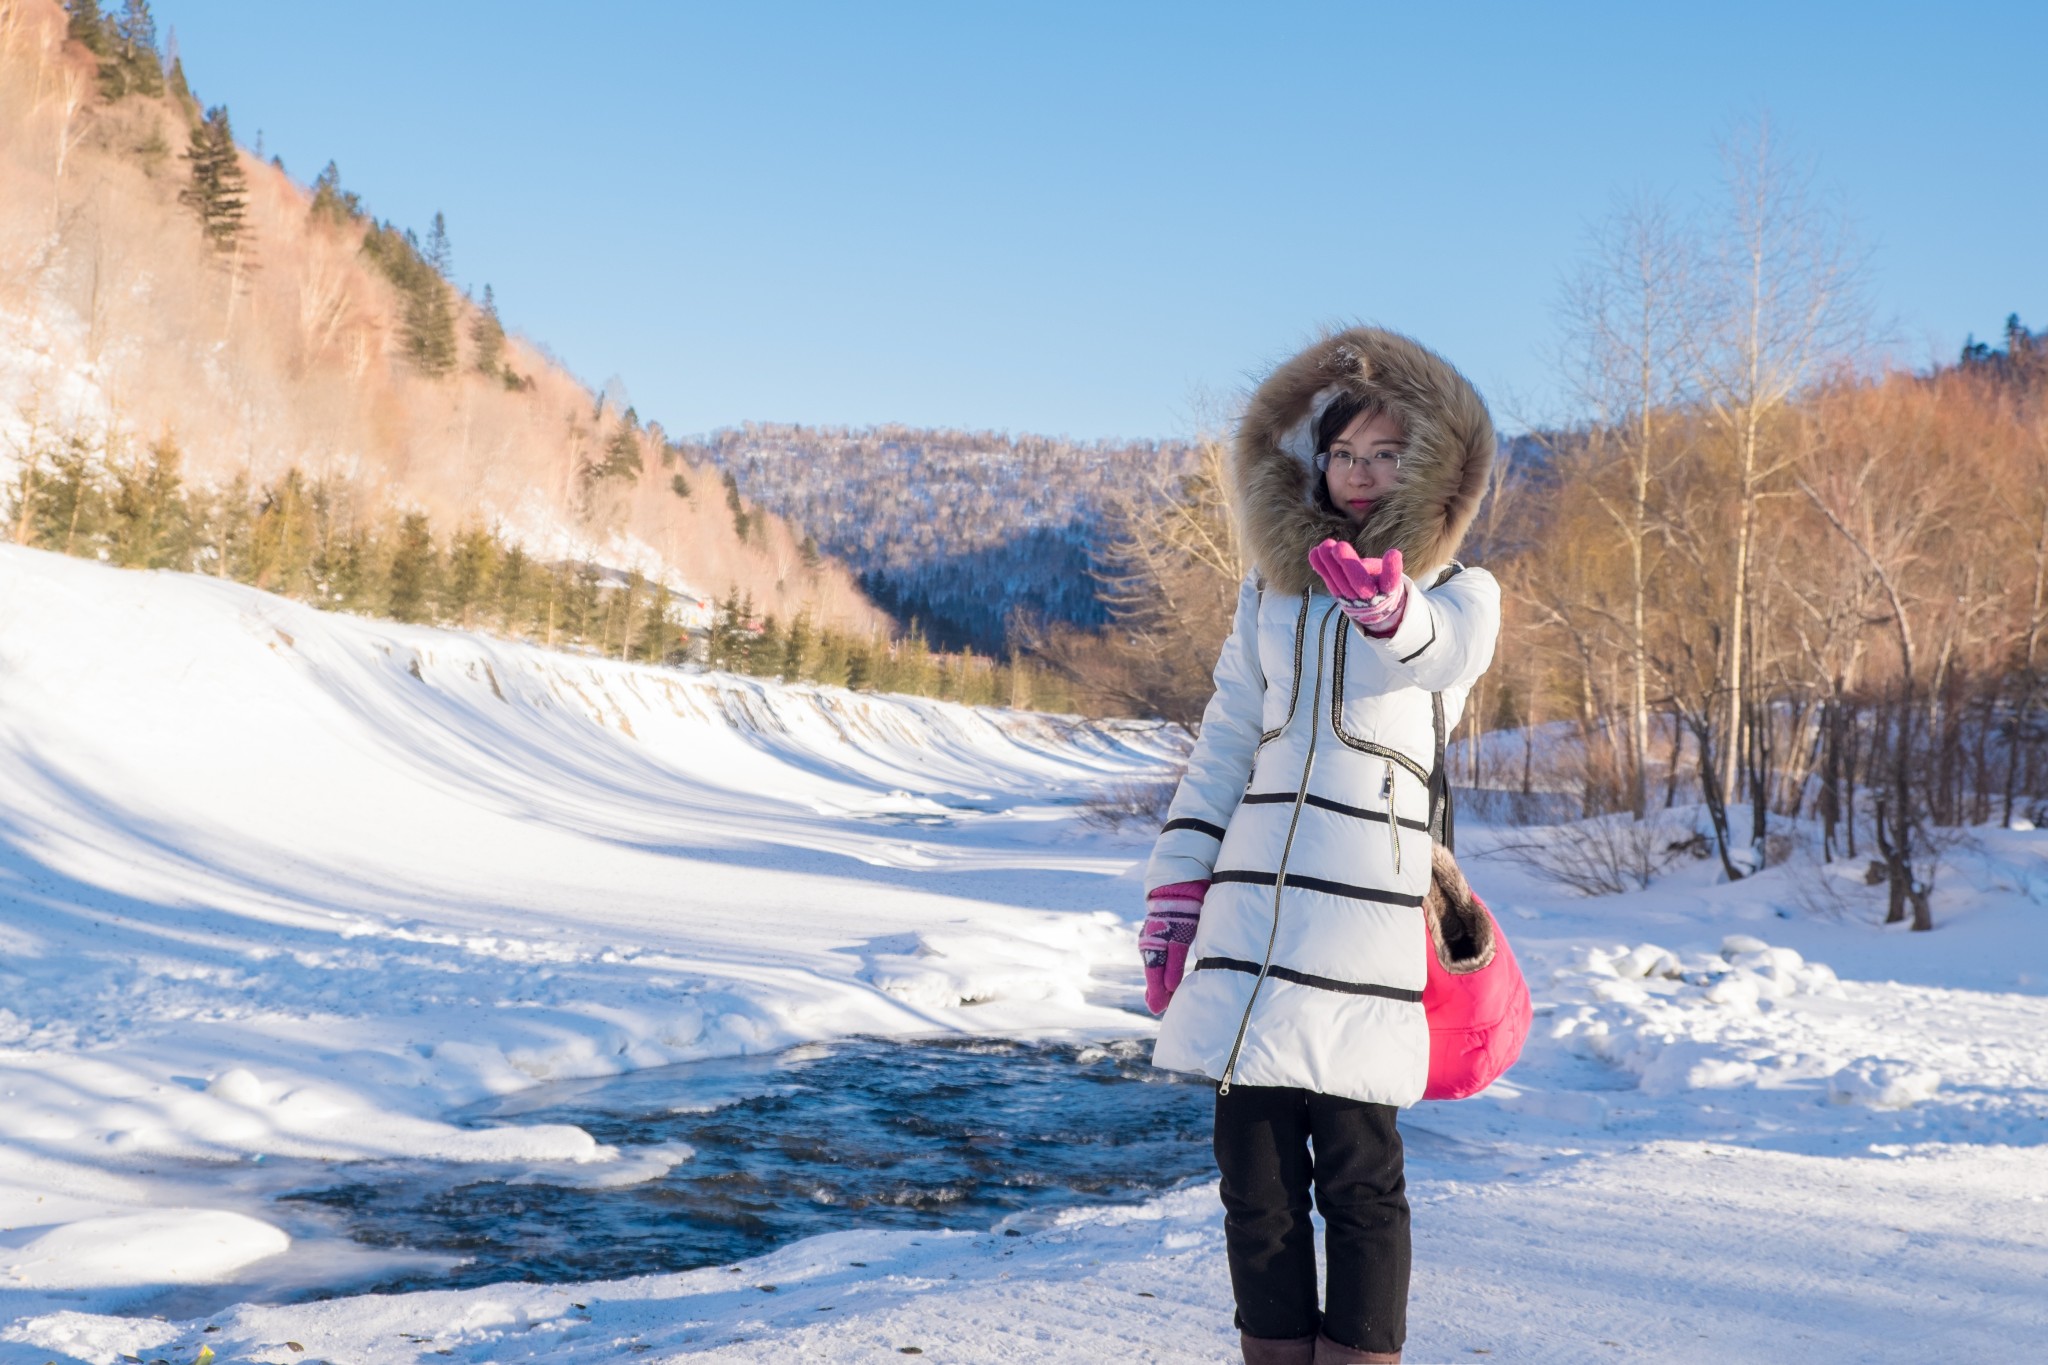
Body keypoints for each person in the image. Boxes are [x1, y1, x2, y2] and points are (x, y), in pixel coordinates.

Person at [1138, 328, 1501, 1365]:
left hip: (1362, 927)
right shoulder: (1269, 593)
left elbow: (1442, 652)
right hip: (1249, 920)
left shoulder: (1459, 592)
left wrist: (1393, 612)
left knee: (1358, 1179)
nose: (1362, 472)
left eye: (1388, 454)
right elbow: (1219, 749)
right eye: (1344, 453)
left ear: (1433, 464)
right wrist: (1175, 891)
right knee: (1251, 1185)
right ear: (1313, 461)